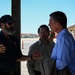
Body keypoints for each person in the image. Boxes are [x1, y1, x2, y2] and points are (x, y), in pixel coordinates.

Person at [48, 11, 75, 75]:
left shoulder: (63, 38)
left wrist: (50, 68)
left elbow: (62, 62)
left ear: (57, 25)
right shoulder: (64, 36)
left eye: (50, 22)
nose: (49, 24)